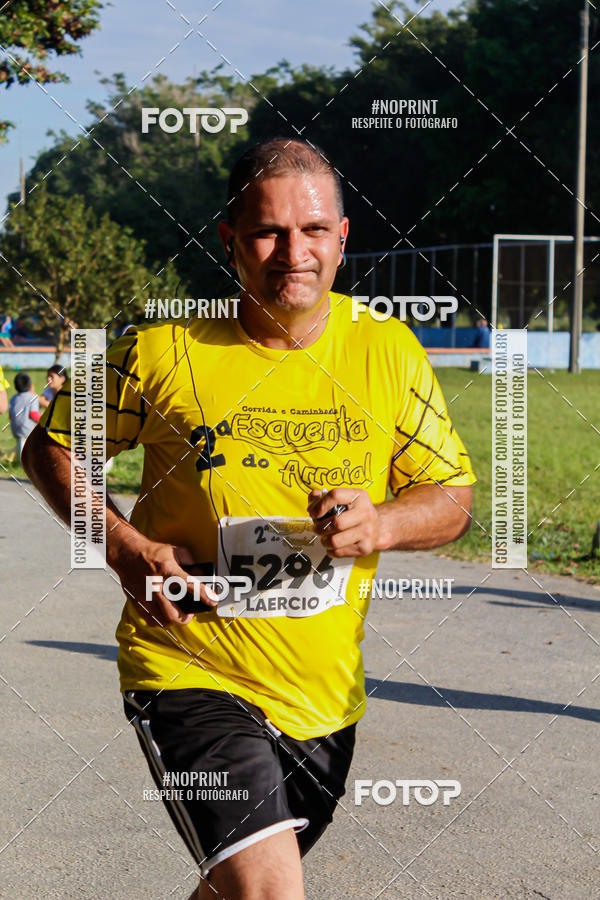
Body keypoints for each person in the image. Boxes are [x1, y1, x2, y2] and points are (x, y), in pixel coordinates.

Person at [23, 138, 476, 900]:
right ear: (229, 239)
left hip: (323, 698)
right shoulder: (160, 349)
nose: (293, 253)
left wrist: (383, 524)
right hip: (188, 671)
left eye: (313, 230)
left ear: (342, 237)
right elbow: (51, 447)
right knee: (269, 892)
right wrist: (124, 547)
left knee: (232, 889)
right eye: (268, 232)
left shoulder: (389, 351)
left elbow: (453, 496)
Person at [10, 372, 40, 456]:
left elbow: (10, 415)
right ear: (30, 385)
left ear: (16, 386)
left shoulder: (13, 398)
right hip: (28, 430)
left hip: (15, 429)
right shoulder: (32, 397)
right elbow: (33, 414)